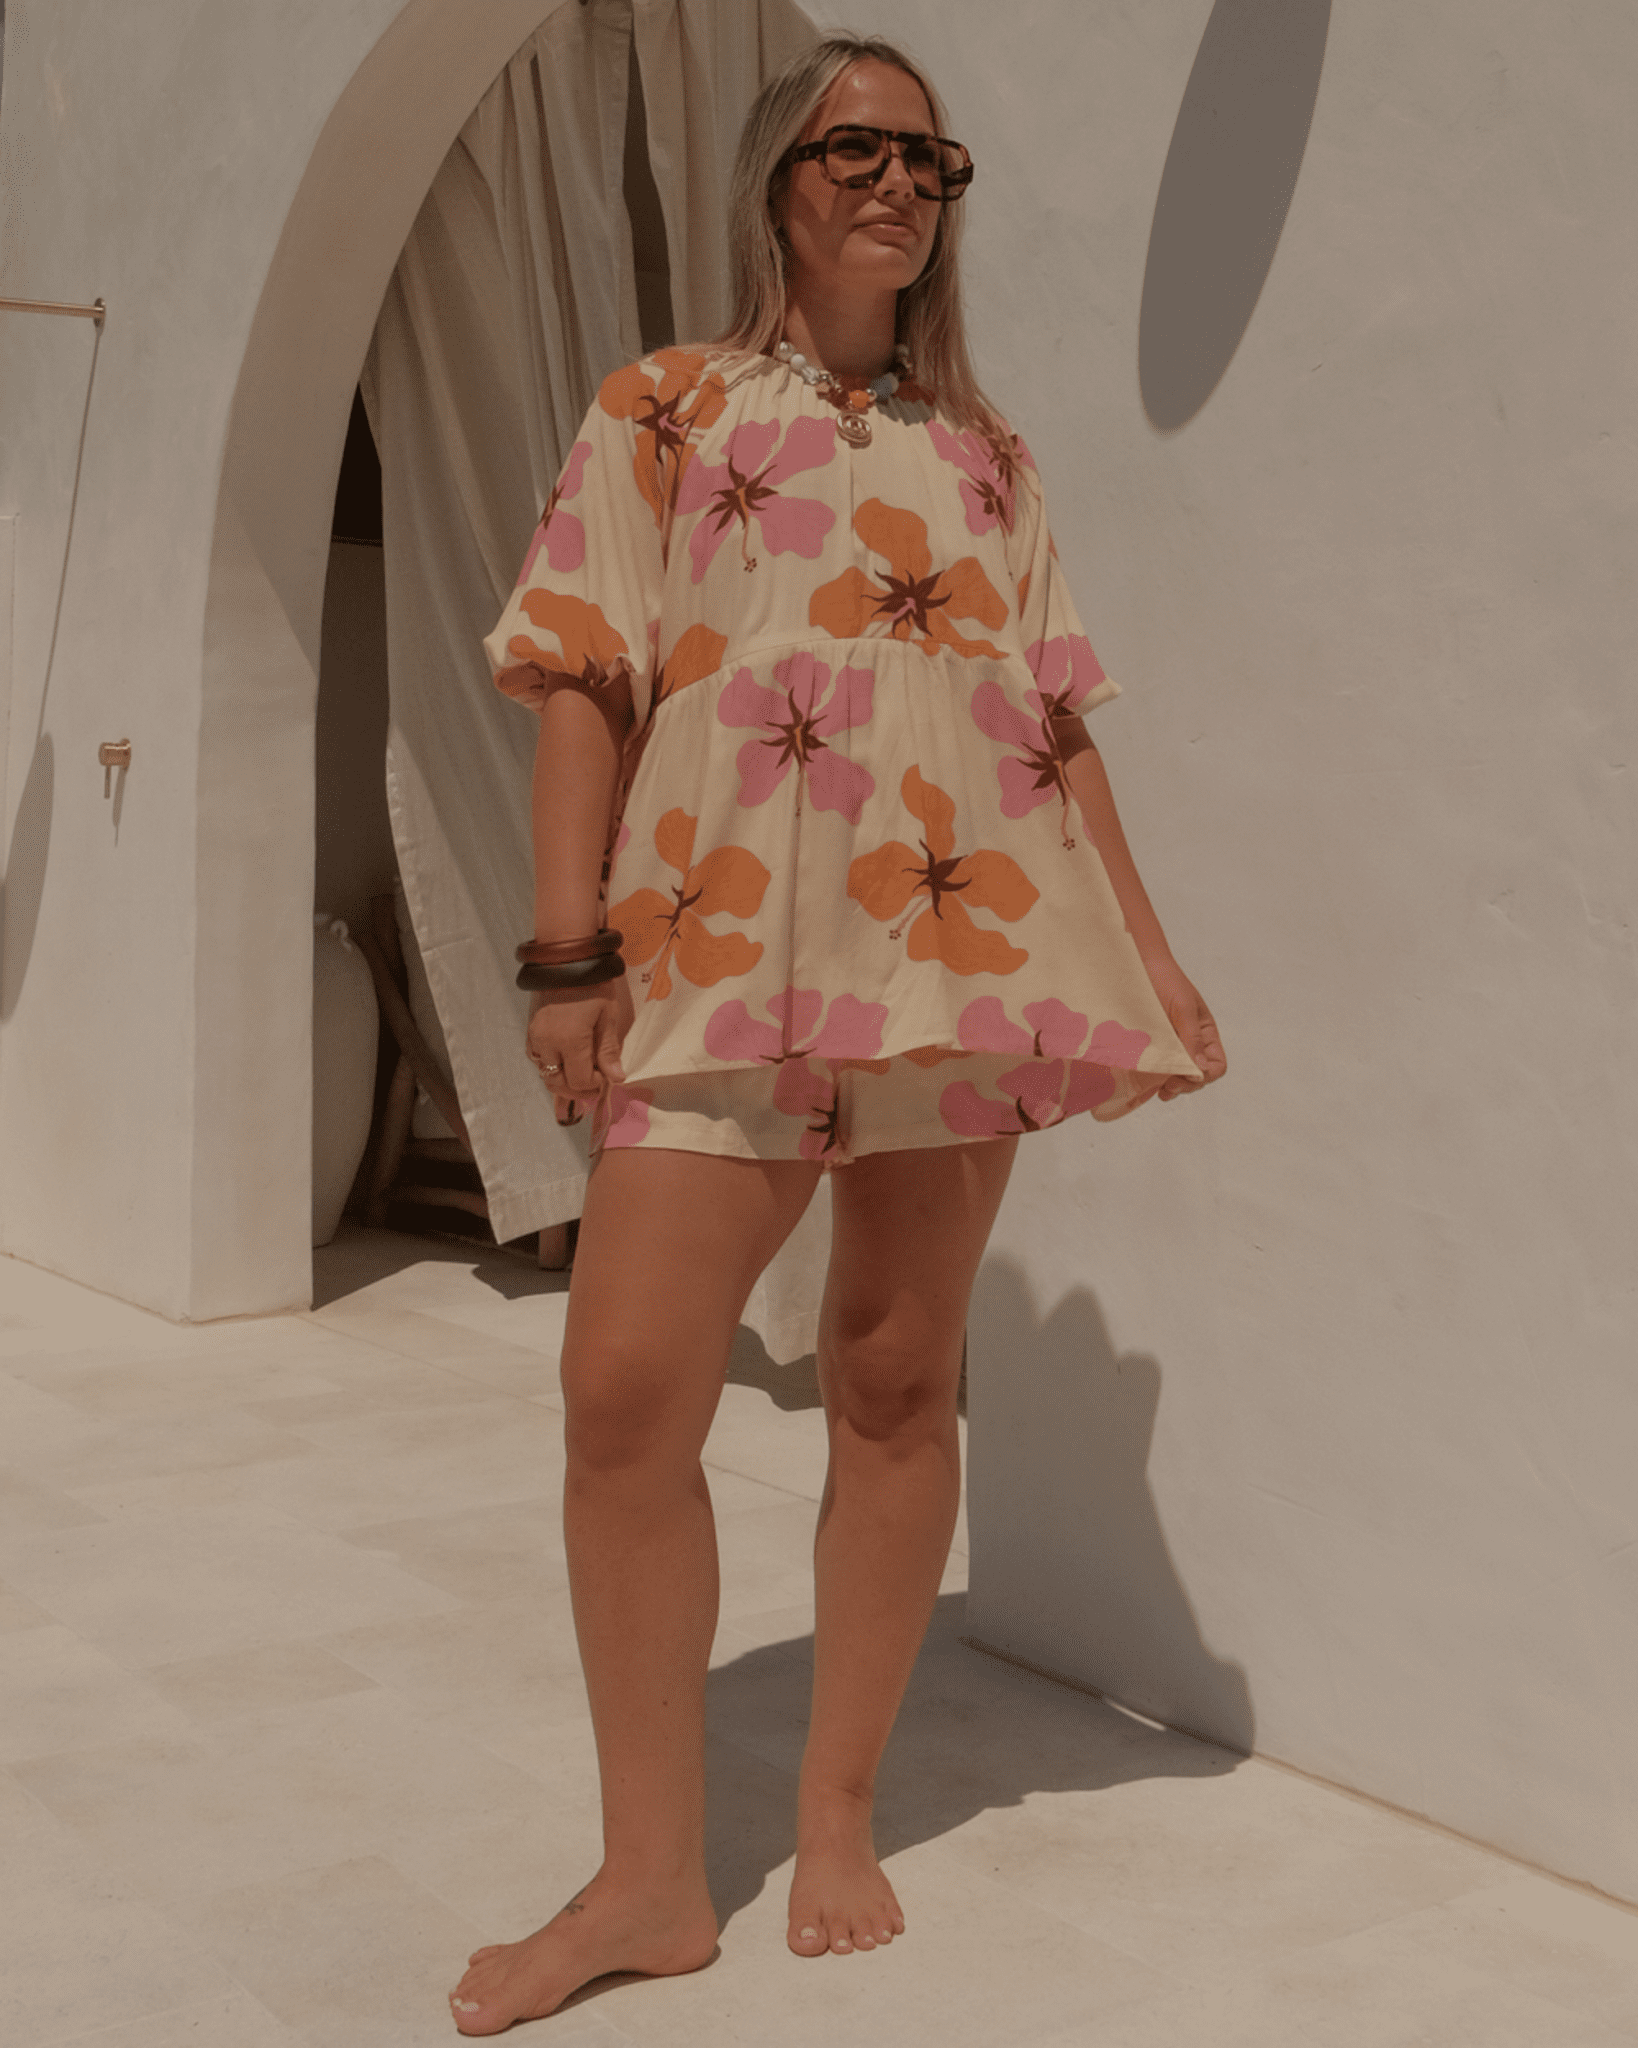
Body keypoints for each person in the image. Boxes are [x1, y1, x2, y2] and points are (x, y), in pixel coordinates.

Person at [449, 33, 1225, 2036]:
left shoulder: (991, 460)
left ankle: (839, 1811)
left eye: (927, 160)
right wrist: (563, 953)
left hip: (961, 959)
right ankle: (647, 1879)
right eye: (852, 149)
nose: (895, 183)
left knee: (892, 1379)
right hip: (707, 959)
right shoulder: (664, 410)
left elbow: (1055, 722)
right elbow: (581, 673)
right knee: (625, 1398)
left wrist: (1148, 958)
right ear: (774, 183)